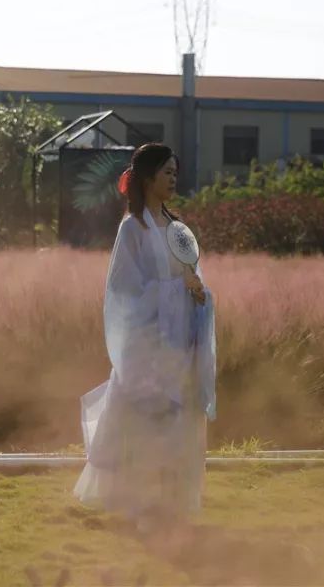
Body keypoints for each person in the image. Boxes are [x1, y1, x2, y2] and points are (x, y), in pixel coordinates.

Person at [71, 142, 218, 543]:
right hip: (148, 349)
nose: (173, 178)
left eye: (176, 172)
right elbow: (124, 291)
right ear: (148, 177)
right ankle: (141, 510)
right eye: (167, 172)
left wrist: (199, 292)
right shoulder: (131, 229)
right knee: (145, 429)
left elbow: (193, 276)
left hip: (179, 345)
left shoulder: (177, 229)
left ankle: (170, 508)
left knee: (178, 428)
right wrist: (175, 288)